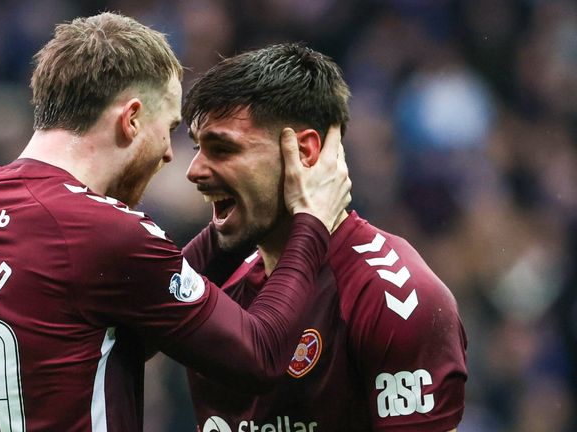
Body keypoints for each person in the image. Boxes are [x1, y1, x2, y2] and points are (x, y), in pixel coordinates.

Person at [0, 14, 352, 432]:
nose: (171, 154)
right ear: (132, 118)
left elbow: (118, 322)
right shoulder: (97, 229)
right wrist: (310, 219)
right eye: (169, 128)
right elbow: (261, 354)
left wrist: (231, 227)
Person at [182, 43, 467, 432]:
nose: (194, 170)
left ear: (305, 152)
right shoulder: (220, 290)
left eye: (222, 148)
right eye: (198, 148)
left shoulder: (396, 297)